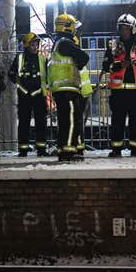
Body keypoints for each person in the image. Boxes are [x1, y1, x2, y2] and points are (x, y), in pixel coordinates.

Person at [102, 13, 136, 157]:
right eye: (122, 28)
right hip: (118, 92)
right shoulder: (113, 45)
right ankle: (116, 149)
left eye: (127, 28)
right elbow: (106, 65)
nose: (124, 31)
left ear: (133, 29)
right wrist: (118, 66)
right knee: (117, 121)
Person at [47, 13, 89, 162]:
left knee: (64, 121)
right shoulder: (65, 43)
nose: (75, 31)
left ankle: (63, 150)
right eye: (74, 27)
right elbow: (84, 57)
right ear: (68, 27)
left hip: (61, 90)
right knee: (72, 121)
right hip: (68, 89)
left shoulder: (57, 43)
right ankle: (68, 152)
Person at [9, 32, 49, 157]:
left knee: (41, 123)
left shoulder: (42, 59)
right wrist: (21, 88)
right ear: (26, 45)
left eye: (36, 44)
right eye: (33, 44)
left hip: (39, 95)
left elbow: (47, 76)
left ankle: (41, 149)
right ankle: (23, 149)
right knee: (24, 123)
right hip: (24, 95)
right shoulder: (20, 59)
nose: (35, 46)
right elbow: (11, 74)